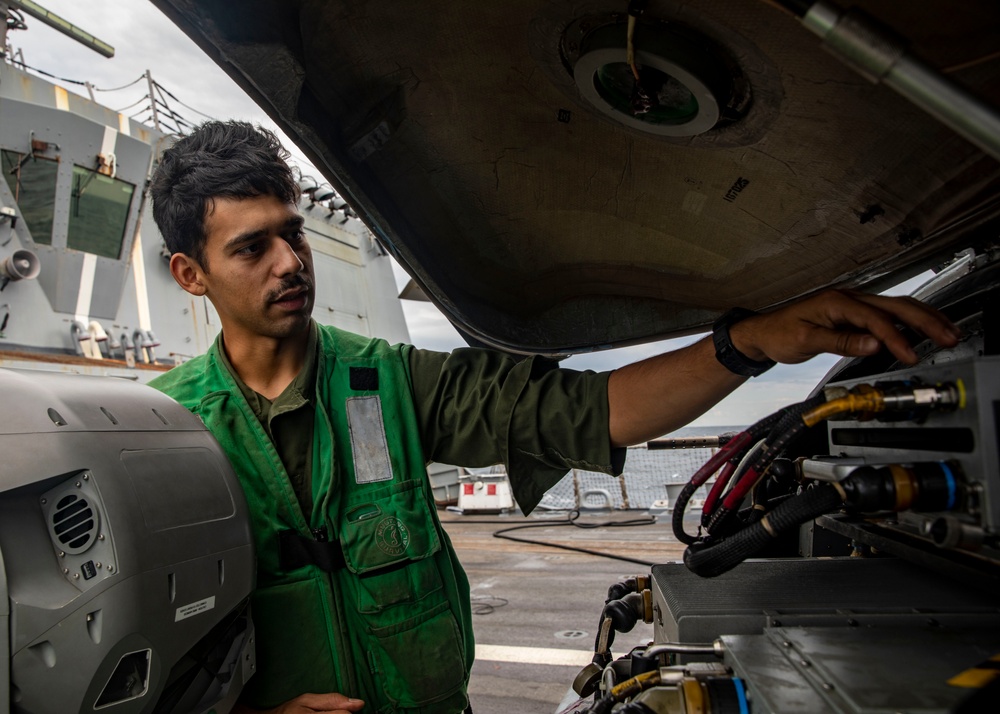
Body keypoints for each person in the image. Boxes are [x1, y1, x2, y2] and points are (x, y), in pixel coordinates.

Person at [148, 121, 961, 714]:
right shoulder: (164, 430)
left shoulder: (389, 381)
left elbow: (592, 409)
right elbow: (142, 655)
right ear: (192, 274)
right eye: (253, 248)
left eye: (294, 235)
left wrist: (748, 342)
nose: (292, 262)